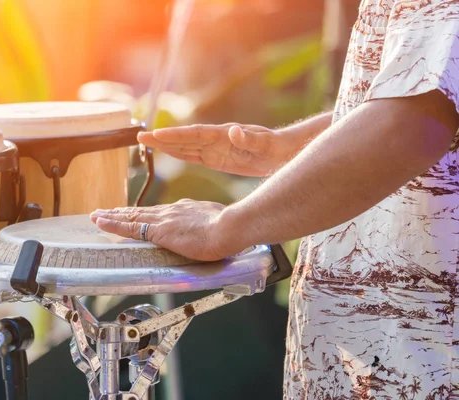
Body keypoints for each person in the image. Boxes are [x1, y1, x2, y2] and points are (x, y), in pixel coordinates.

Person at [90, 0, 459, 398]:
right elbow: (424, 95)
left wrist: (221, 228)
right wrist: (286, 148)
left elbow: (410, 123)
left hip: (426, 365)